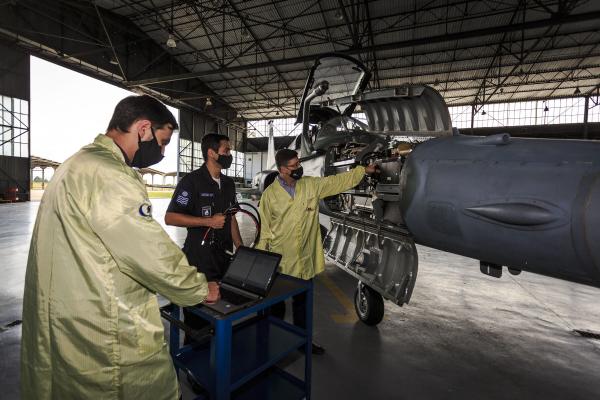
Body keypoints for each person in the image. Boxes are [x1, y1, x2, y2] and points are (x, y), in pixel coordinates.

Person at [20, 95, 219, 400]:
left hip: (66, 316)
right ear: (143, 128)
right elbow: (149, 251)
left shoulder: (74, 164)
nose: (162, 151)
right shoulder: (111, 174)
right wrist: (198, 288)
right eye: (162, 141)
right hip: (105, 328)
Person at [256, 148, 377, 354]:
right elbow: (264, 231)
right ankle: (272, 342)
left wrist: (362, 171)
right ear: (282, 169)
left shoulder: (310, 186)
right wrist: (261, 262)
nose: (298, 169)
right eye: (294, 166)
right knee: (275, 307)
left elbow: (336, 183)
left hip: (304, 260)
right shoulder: (270, 196)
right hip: (281, 260)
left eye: (299, 164)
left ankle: (303, 342)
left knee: (303, 304)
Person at [165, 133, 242, 344]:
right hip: (199, 258)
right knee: (196, 319)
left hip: (223, 258)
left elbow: (231, 218)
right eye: (226, 150)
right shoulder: (191, 182)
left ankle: (218, 354)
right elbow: (170, 217)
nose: (230, 154)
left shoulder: (228, 183)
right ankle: (194, 364)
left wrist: (240, 247)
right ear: (211, 152)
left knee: (221, 311)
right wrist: (207, 222)